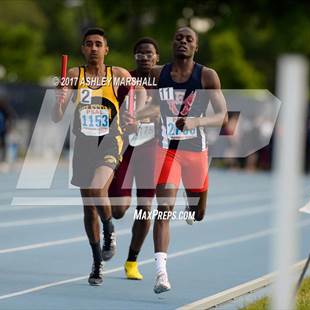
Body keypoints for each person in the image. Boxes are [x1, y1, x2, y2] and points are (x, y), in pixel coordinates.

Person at [133, 27, 228, 293]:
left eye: (189, 40)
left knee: (197, 214)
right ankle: (161, 273)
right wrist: (139, 115)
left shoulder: (206, 75)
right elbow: (153, 106)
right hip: (167, 150)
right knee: (164, 209)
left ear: (196, 47)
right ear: (172, 43)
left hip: (196, 150)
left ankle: (194, 202)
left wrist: (197, 120)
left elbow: (222, 116)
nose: (183, 42)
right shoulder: (158, 74)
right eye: (178, 38)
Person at [53, 28, 145, 286]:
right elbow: (56, 117)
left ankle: (110, 231)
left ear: (106, 49)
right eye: (88, 44)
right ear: (83, 49)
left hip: (110, 142)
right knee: (88, 209)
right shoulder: (74, 75)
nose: (93, 48)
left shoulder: (118, 75)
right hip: (83, 144)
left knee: (97, 189)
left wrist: (133, 115)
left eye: (98, 44)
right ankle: (96, 263)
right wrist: (59, 100)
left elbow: (138, 94)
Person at [108, 37, 160, 280]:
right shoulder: (124, 80)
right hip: (125, 148)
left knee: (145, 209)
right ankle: (109, 229)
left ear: (157, 57)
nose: (145, 56)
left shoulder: (165, 81)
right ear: (134, 56)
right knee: (118, 210)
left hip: (152, 149)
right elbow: (109, 108)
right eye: (140, 52)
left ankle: (132, 261)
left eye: (149, 53)